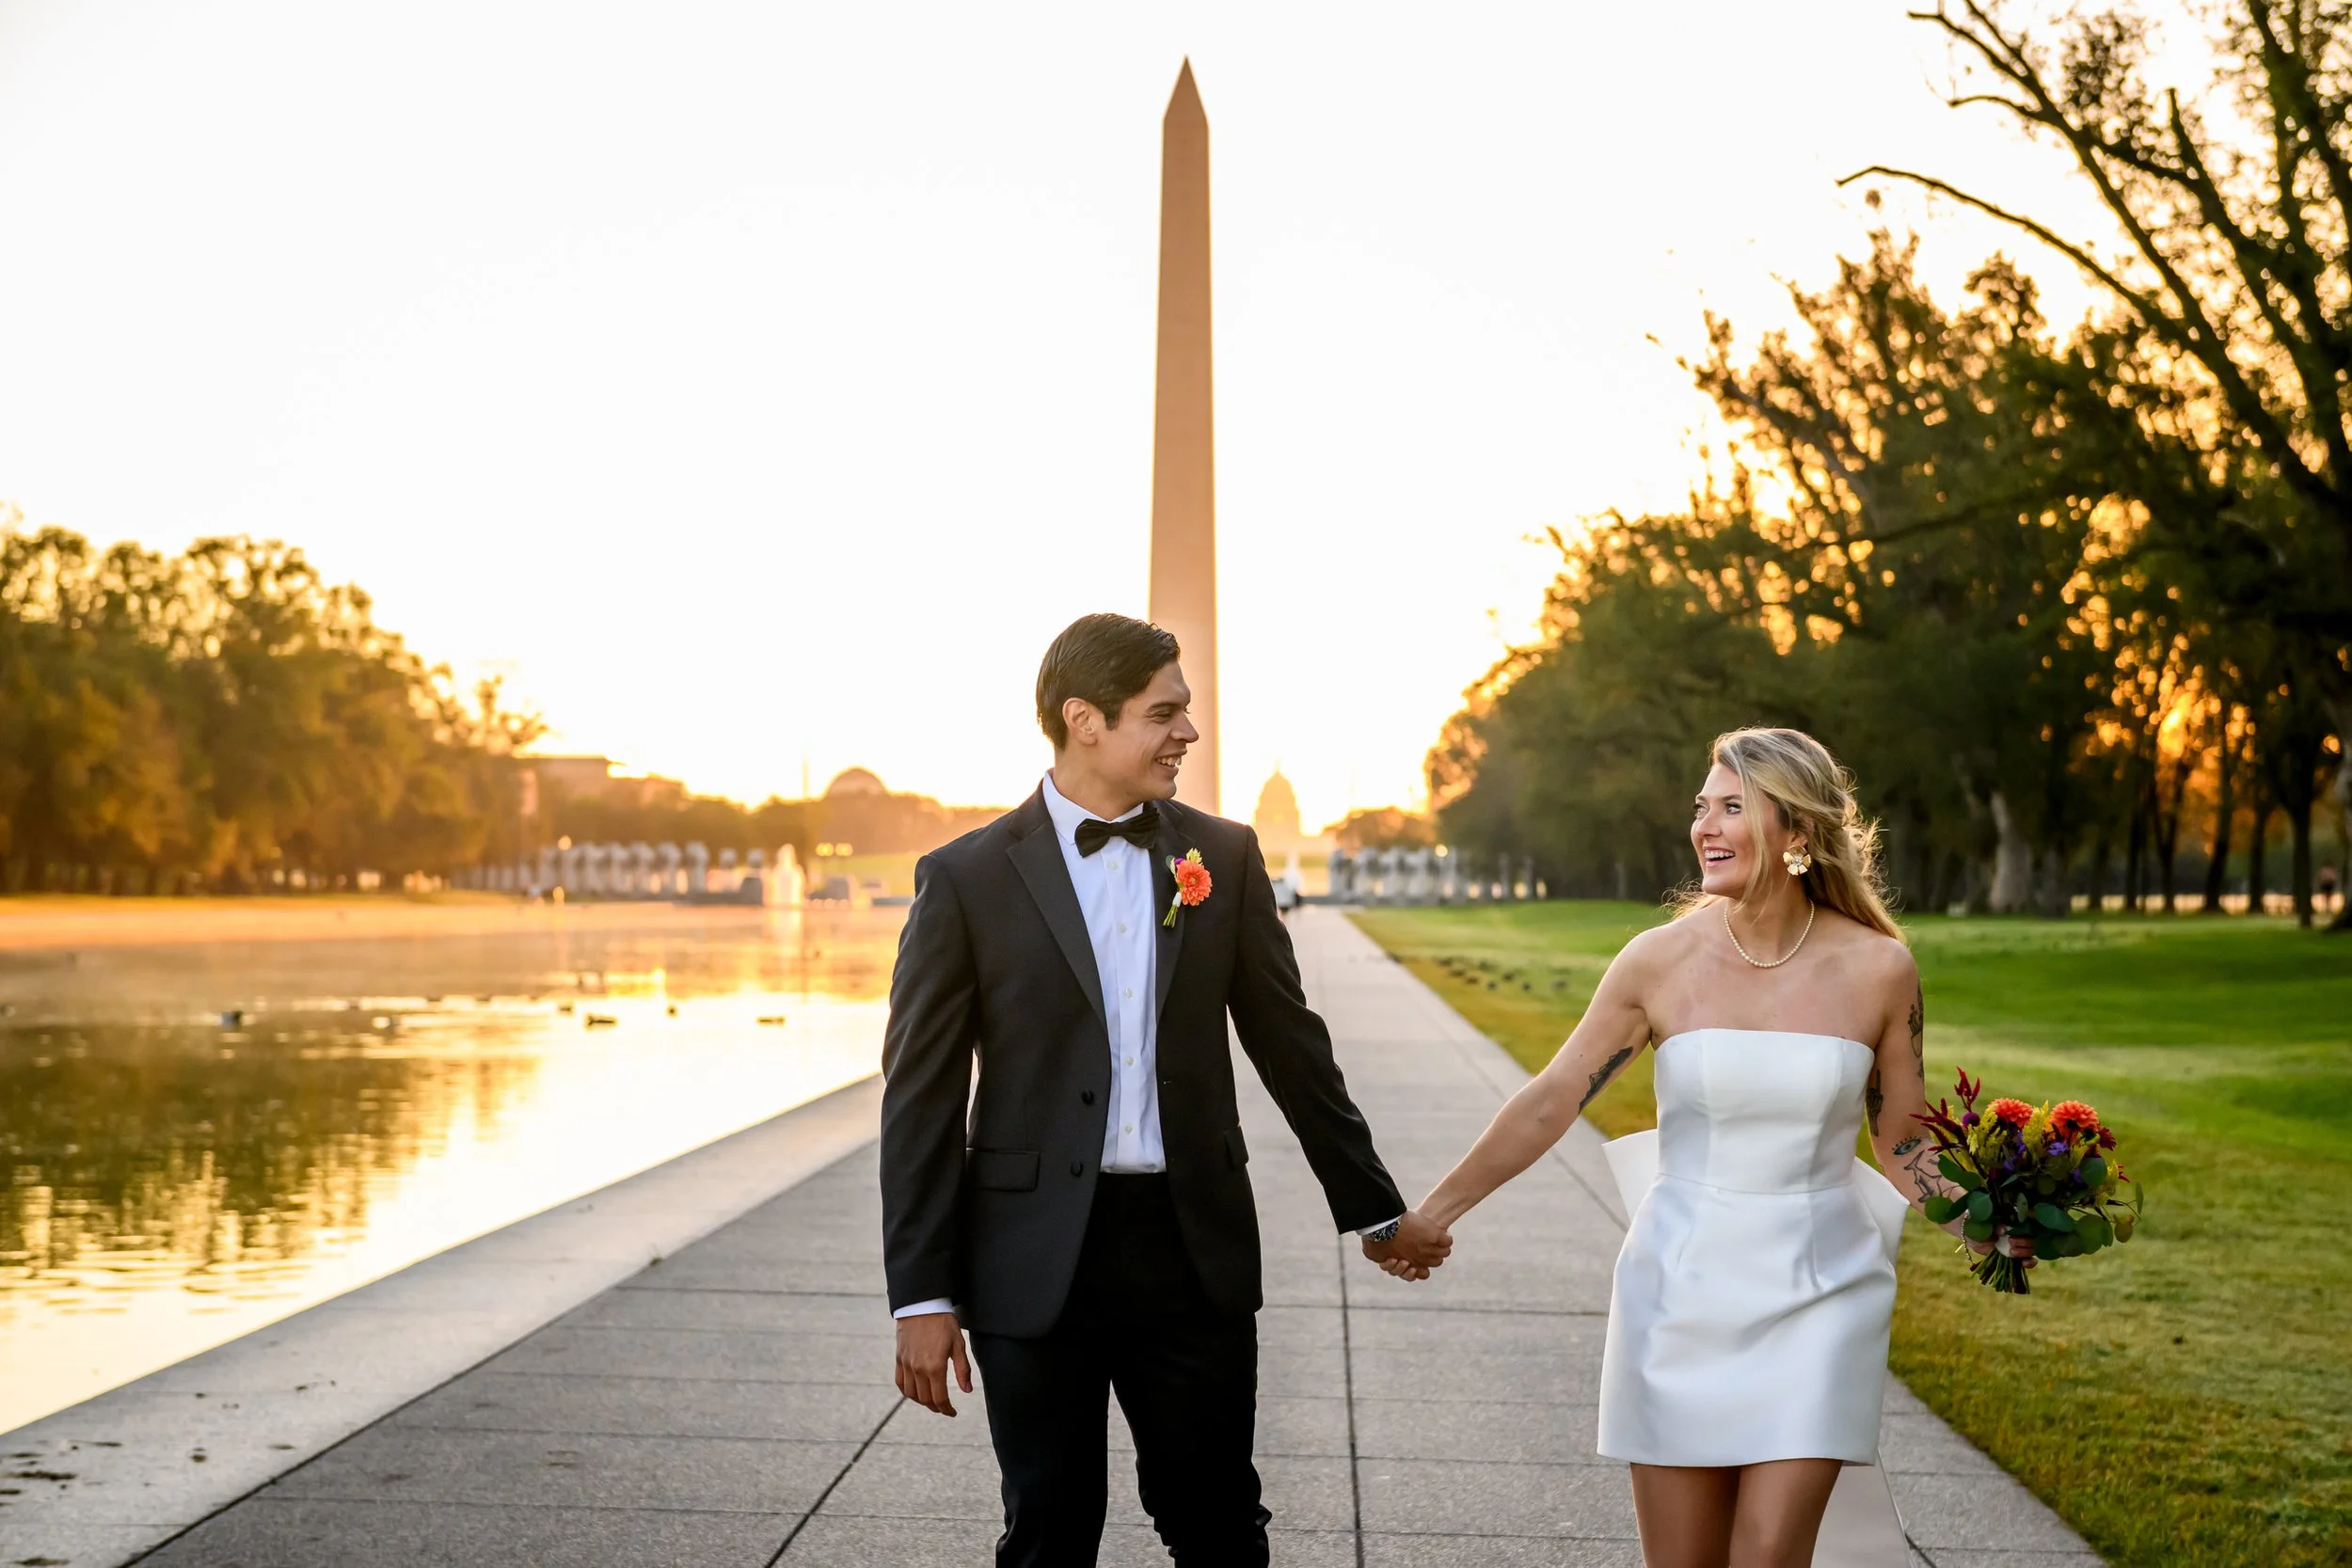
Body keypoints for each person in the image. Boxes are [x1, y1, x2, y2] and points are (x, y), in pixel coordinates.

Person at [879, 612, 1452, 1568]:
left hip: (1193, 1248)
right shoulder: (965, 877)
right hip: (1028, 1258)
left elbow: (1291, 1045)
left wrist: (1372, 1207)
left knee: (1219, 1524)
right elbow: (921, 1097)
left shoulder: (1220, 858)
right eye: (1165, 713)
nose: (1187, 733)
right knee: (1049, 1529)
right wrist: (921, 1291)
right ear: (1084, 720)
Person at [1395, 727, 2028, 1568]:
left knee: (1770, 1554)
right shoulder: (1656, 961)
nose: (1705, 826)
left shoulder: (1881, 969)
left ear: (1797, 832)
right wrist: (1431, 1213)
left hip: (1823, 1293)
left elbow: (1901, 1134)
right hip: (1678, 1294)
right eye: (1702, 807)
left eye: (1733, 806)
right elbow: (1554, 1098)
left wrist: (1988, 1220)